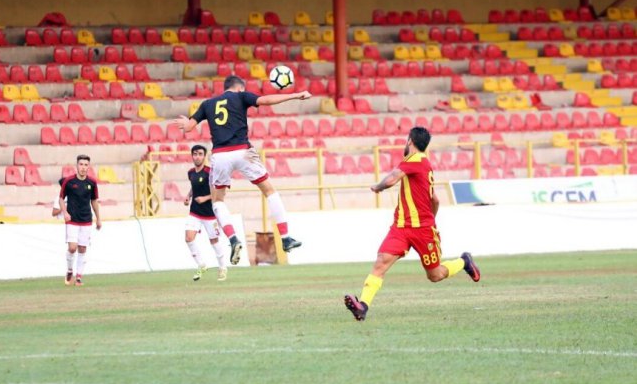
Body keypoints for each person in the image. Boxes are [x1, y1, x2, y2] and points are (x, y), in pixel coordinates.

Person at [344, 127, 481, 322]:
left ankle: (464, 262)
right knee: (381, 261)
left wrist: (377, 187)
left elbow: (391, 180)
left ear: (409, 141)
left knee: (435, 275)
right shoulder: (424, 165)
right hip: (401, 227)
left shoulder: (414, 161)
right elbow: (435, 200)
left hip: (423, 231)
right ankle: (363, 306)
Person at [175, 75, 311, 266]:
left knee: (218, 201)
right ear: (239, 88)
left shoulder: (208, 103)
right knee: (269, 191)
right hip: (242, 151)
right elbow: (266, 100)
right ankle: (286, 237)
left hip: (220, 155)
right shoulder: (240, 97)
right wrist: (296, 95)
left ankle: (233, 239)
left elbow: (189, 127)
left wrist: (184, 122)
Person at [184, 144, 229, 282]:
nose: (197, 157)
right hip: (195, 212)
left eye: (200, 154)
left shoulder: (210, 172)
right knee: (188, 238)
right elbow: (193, 187)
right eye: (195, 154)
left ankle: (222, 267)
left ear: (204, 156)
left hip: (210, 213)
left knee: (214, 241)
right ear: (192, 156)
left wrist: (205, 198)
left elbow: (220, 192)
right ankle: (201, 265)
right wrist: (188, 196)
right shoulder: (191, 172)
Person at [59, 155, 102, 286]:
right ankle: (69, 270)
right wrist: (65, 212)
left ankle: (78, 277)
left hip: (86, 220)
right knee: (72, 248)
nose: (83, 167)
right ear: (77, 166)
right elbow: (61, 198)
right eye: (81, 164)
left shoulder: (92, 183)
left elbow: (94, 200)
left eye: (85, 165)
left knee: (82, 249)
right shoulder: (69, 181)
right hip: (72, 219)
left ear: (88, 167)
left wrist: (98, 218)